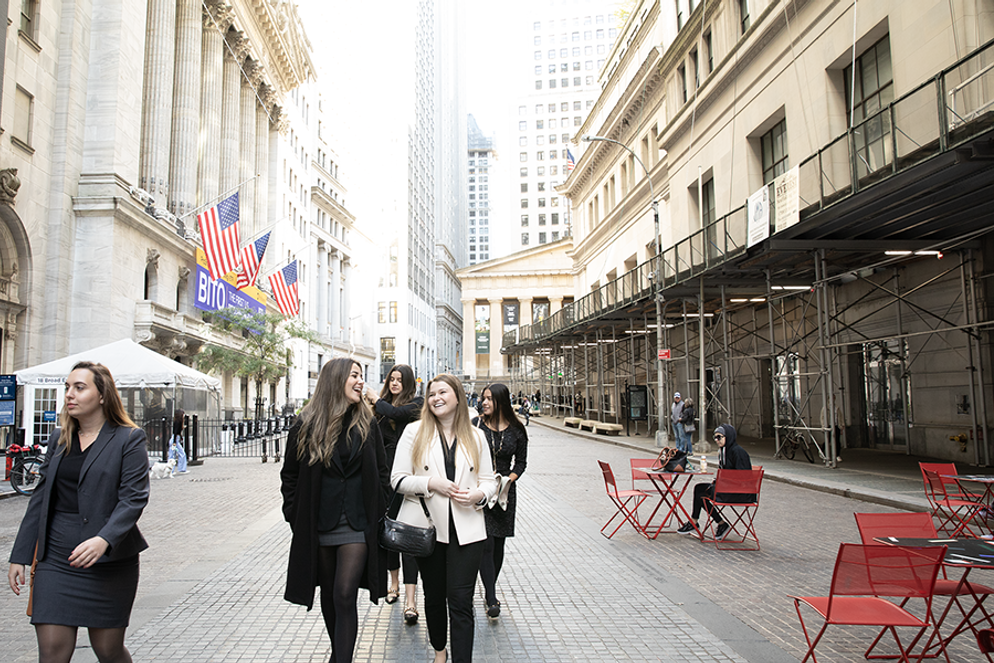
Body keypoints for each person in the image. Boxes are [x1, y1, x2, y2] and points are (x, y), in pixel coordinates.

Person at [8, 361, 150, 663]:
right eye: (67, 388)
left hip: (109, 562)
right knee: (52, 652)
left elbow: (133, 499)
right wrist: (20, 555)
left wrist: (104, 539)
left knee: (108, 651)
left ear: (102, 395)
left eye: (79, 387)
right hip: (56, 560)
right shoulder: (59, 438)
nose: (69, 395)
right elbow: (40, 500)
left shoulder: (128, 438)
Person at [280, 358, 390, 663]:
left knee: (344, 593)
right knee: (329, 594)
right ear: (336, 379)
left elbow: (382, 472)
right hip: (320, 523)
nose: (360, 382)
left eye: (361, 376)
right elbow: (289, 476)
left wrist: (380, 508)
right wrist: (295, 515)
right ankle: (338, 652)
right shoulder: (305, 424)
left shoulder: (367, 422)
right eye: (355, 375)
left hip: (358, 523)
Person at [392, 374, 497, 663]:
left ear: (458, 396)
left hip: (468, 530)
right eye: (431, 394)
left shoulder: (476, 436)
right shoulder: (415, 432)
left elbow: (490, 481)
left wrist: (479, 495)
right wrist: (430, 484)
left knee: (461, 601)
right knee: (435, 598)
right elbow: (397, 480)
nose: (436, 398)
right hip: (429, 531)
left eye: (442, 392)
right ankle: (440, 652)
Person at [365, 363, 424, 624]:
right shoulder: (380, 408)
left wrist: (376, 400)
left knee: (408, 536)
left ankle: (411, 600)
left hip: (408, 476)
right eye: (392, 379)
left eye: (400, 379)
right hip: (383, 477)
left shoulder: (416, 404)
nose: (394, 383)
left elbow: (396, 414)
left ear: (408, 382)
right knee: (388, 533)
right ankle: (393, 584)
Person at [473, 383, 527, 619]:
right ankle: (491, 597)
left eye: (489, 399)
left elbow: (521, 462)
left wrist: (509, 480)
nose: (484, 403)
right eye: (483, 399)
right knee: (486, 543)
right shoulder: (476, 426)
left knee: (498, 546)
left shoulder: (517, 429)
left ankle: (488, 588)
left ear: (500, 402)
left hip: (505, 493)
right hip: (482, 490)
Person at [677, 424, 753, 540]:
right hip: (727, 488)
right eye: (715, 438)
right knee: (699, 489)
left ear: (728, 436)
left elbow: (742, 477)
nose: (717, 440)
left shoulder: (737, 452)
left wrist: (723, 482)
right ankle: (711, 523)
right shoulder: (724, 451)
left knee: (702, 493)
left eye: (720, 437)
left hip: (739, 492)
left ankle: (709, 523)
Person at [168, 409, 188, 473]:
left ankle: (171, 470)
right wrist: (174, 442)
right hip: (175, 440)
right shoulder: (178, 422)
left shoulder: (177, 421)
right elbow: (176, 432)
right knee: (181, 454)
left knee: (172, 455)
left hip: (175, 439)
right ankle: (181, 469)